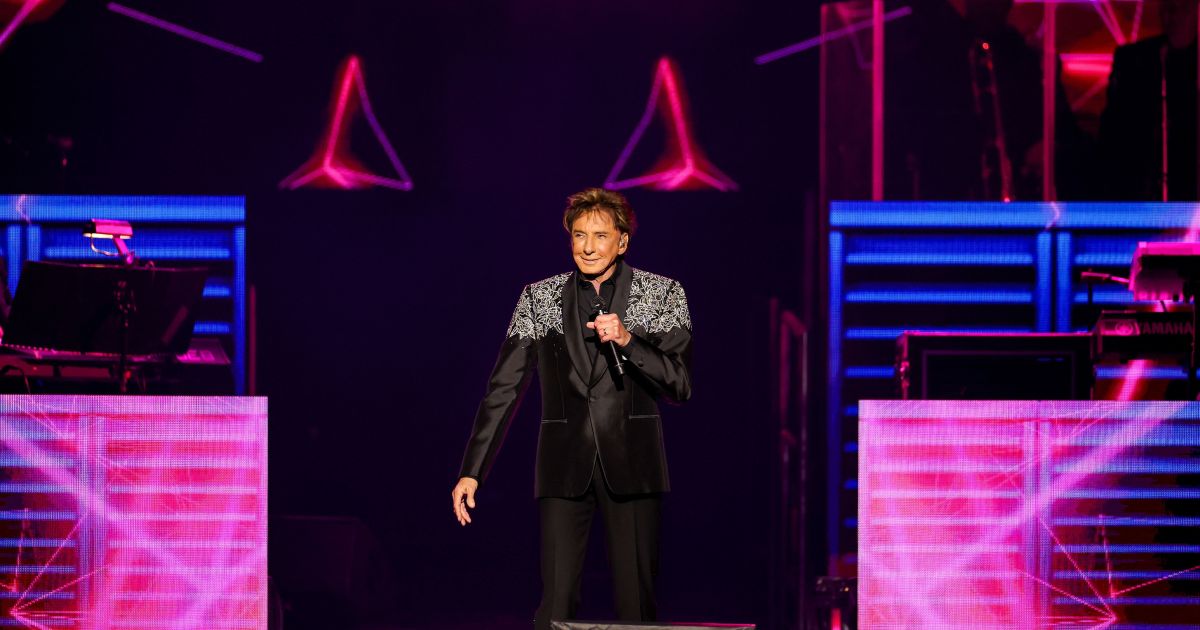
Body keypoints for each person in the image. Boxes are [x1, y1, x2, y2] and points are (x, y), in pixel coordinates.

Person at [451, 188, 693, 629]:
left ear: (622, 241)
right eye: (579, 235)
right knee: (556, 604)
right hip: (563, 465)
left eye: (600, 236)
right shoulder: (538, 298)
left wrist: (628, 340)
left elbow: (680, 385)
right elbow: (504, 388)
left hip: (634, 465)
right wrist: (473, 469)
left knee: (637, 606)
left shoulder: (662, 294)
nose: (588, 247)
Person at [1099, 0, 1199, 200]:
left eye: (1184, 8)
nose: (1175, 16)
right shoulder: (1134, 59)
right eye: (1169, 8)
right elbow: (1113, 129)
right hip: (1143, 183)